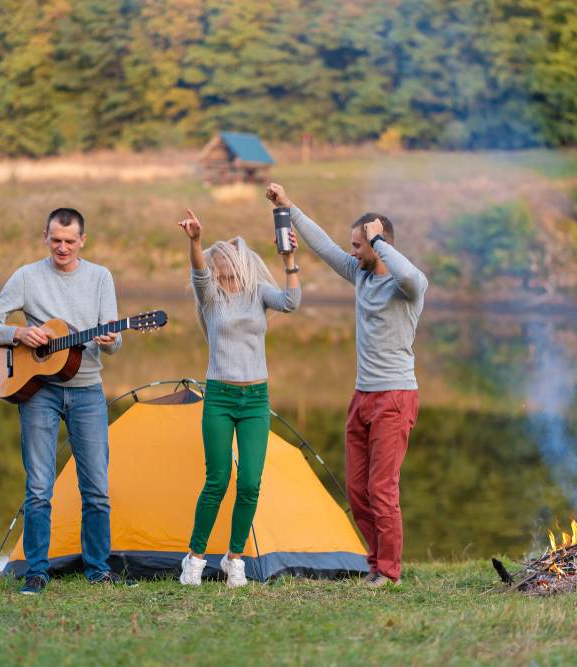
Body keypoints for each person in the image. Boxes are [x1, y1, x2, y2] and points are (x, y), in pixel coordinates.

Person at [265, 183, 427, 587]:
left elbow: (410, 273)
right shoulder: (361, 275)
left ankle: (389, 572)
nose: (353, 252)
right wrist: (289, 206)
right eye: (354, 245)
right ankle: (374, 564)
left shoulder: (406, 288)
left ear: (379, 244)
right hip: (362, 396)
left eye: (360, 245)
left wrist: (377, 240)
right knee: (357, 489)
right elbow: (321, 245)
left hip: (395, 396)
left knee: (382, 489)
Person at [0, 208, 129, 594]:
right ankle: (36, 571)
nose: (62, 247)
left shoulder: (100, 278)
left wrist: (114, 340)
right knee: (39, 486)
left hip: (88, 391)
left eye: (70, 241)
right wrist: (18, 334)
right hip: (38, 391)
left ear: (83, 241)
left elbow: (113, 346)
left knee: (95, 486)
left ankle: (98, 568)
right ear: (45, 236)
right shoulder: (27, 276)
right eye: (56, 240)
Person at [176, 208, 301, 587]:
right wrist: (196, 242)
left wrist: (289, 260)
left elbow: (292, 302)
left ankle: (236, 558)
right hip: (219, 397)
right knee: (217, 479)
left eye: (227, 263)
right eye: (217, 264)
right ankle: (194, 559)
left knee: (249, 481)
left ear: (240, 262)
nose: (222, 269)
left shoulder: (258, 292)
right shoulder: (210, 297)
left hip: (255, 399)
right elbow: (197, 272)